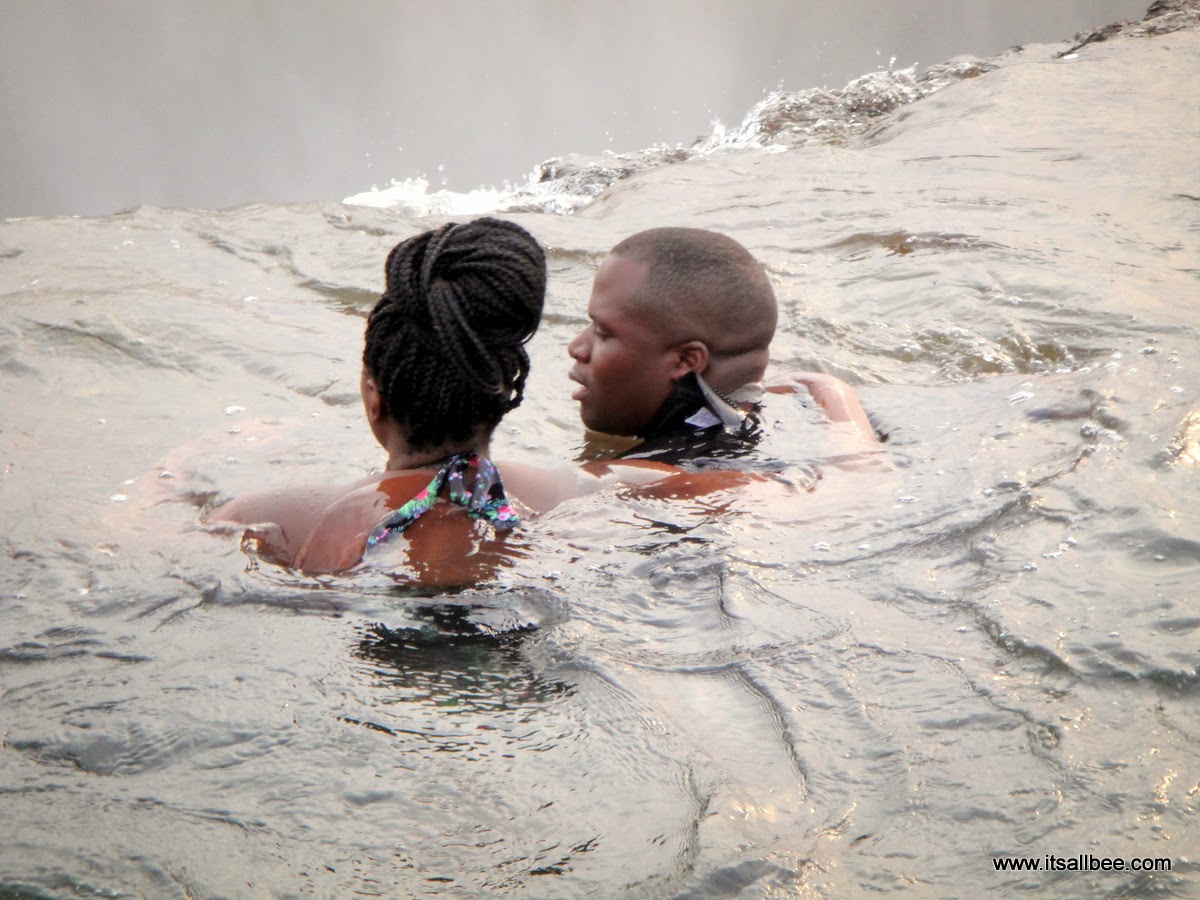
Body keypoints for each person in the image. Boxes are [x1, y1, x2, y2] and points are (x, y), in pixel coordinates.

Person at [210, 217, 576, 578]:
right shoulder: (569, 494)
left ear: (374, 399)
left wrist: (175, 472)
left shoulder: (271, 515)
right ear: (501, 393)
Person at [567, 227, 880, 465]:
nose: (577, 347)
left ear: (685, 360)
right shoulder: (812, 395)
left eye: (604, 332)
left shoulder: (647, 480)